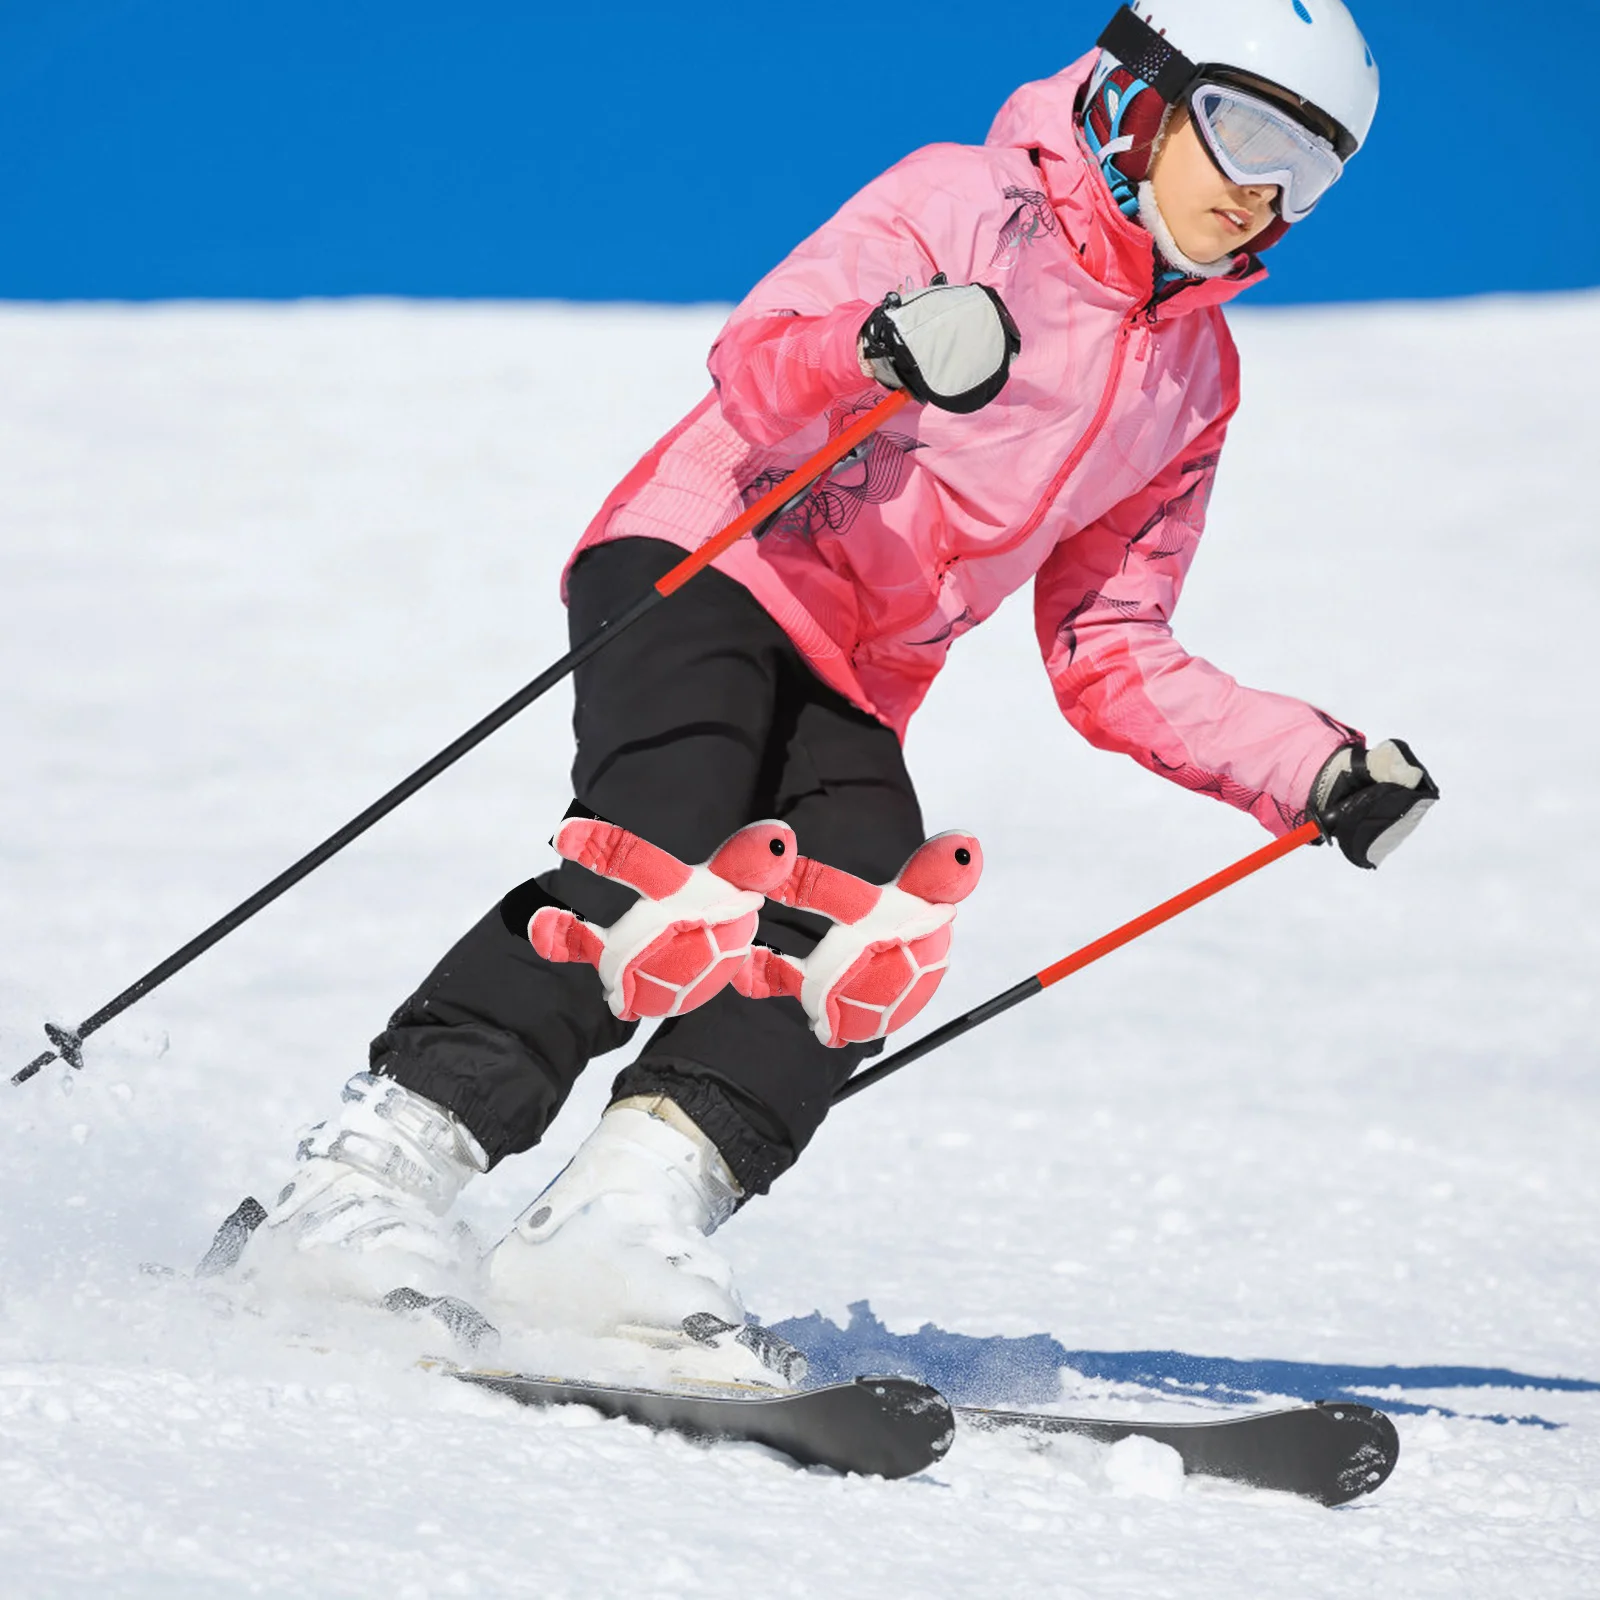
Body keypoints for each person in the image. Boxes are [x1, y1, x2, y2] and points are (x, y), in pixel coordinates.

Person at [236, 0, 1438, 1383]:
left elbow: (1112, 645)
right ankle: (367, 1180)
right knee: (665, 848)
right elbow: (762, 352)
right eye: (1247, 129)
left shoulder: (1193, 379)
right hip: (711, 556)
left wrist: (1315, 770)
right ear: (1141, 95)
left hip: (856, 671)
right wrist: (886, 342)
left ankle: (614, 1225)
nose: (1265, 191)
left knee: (865, 926)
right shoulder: (966, 201)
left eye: (1317, 167)